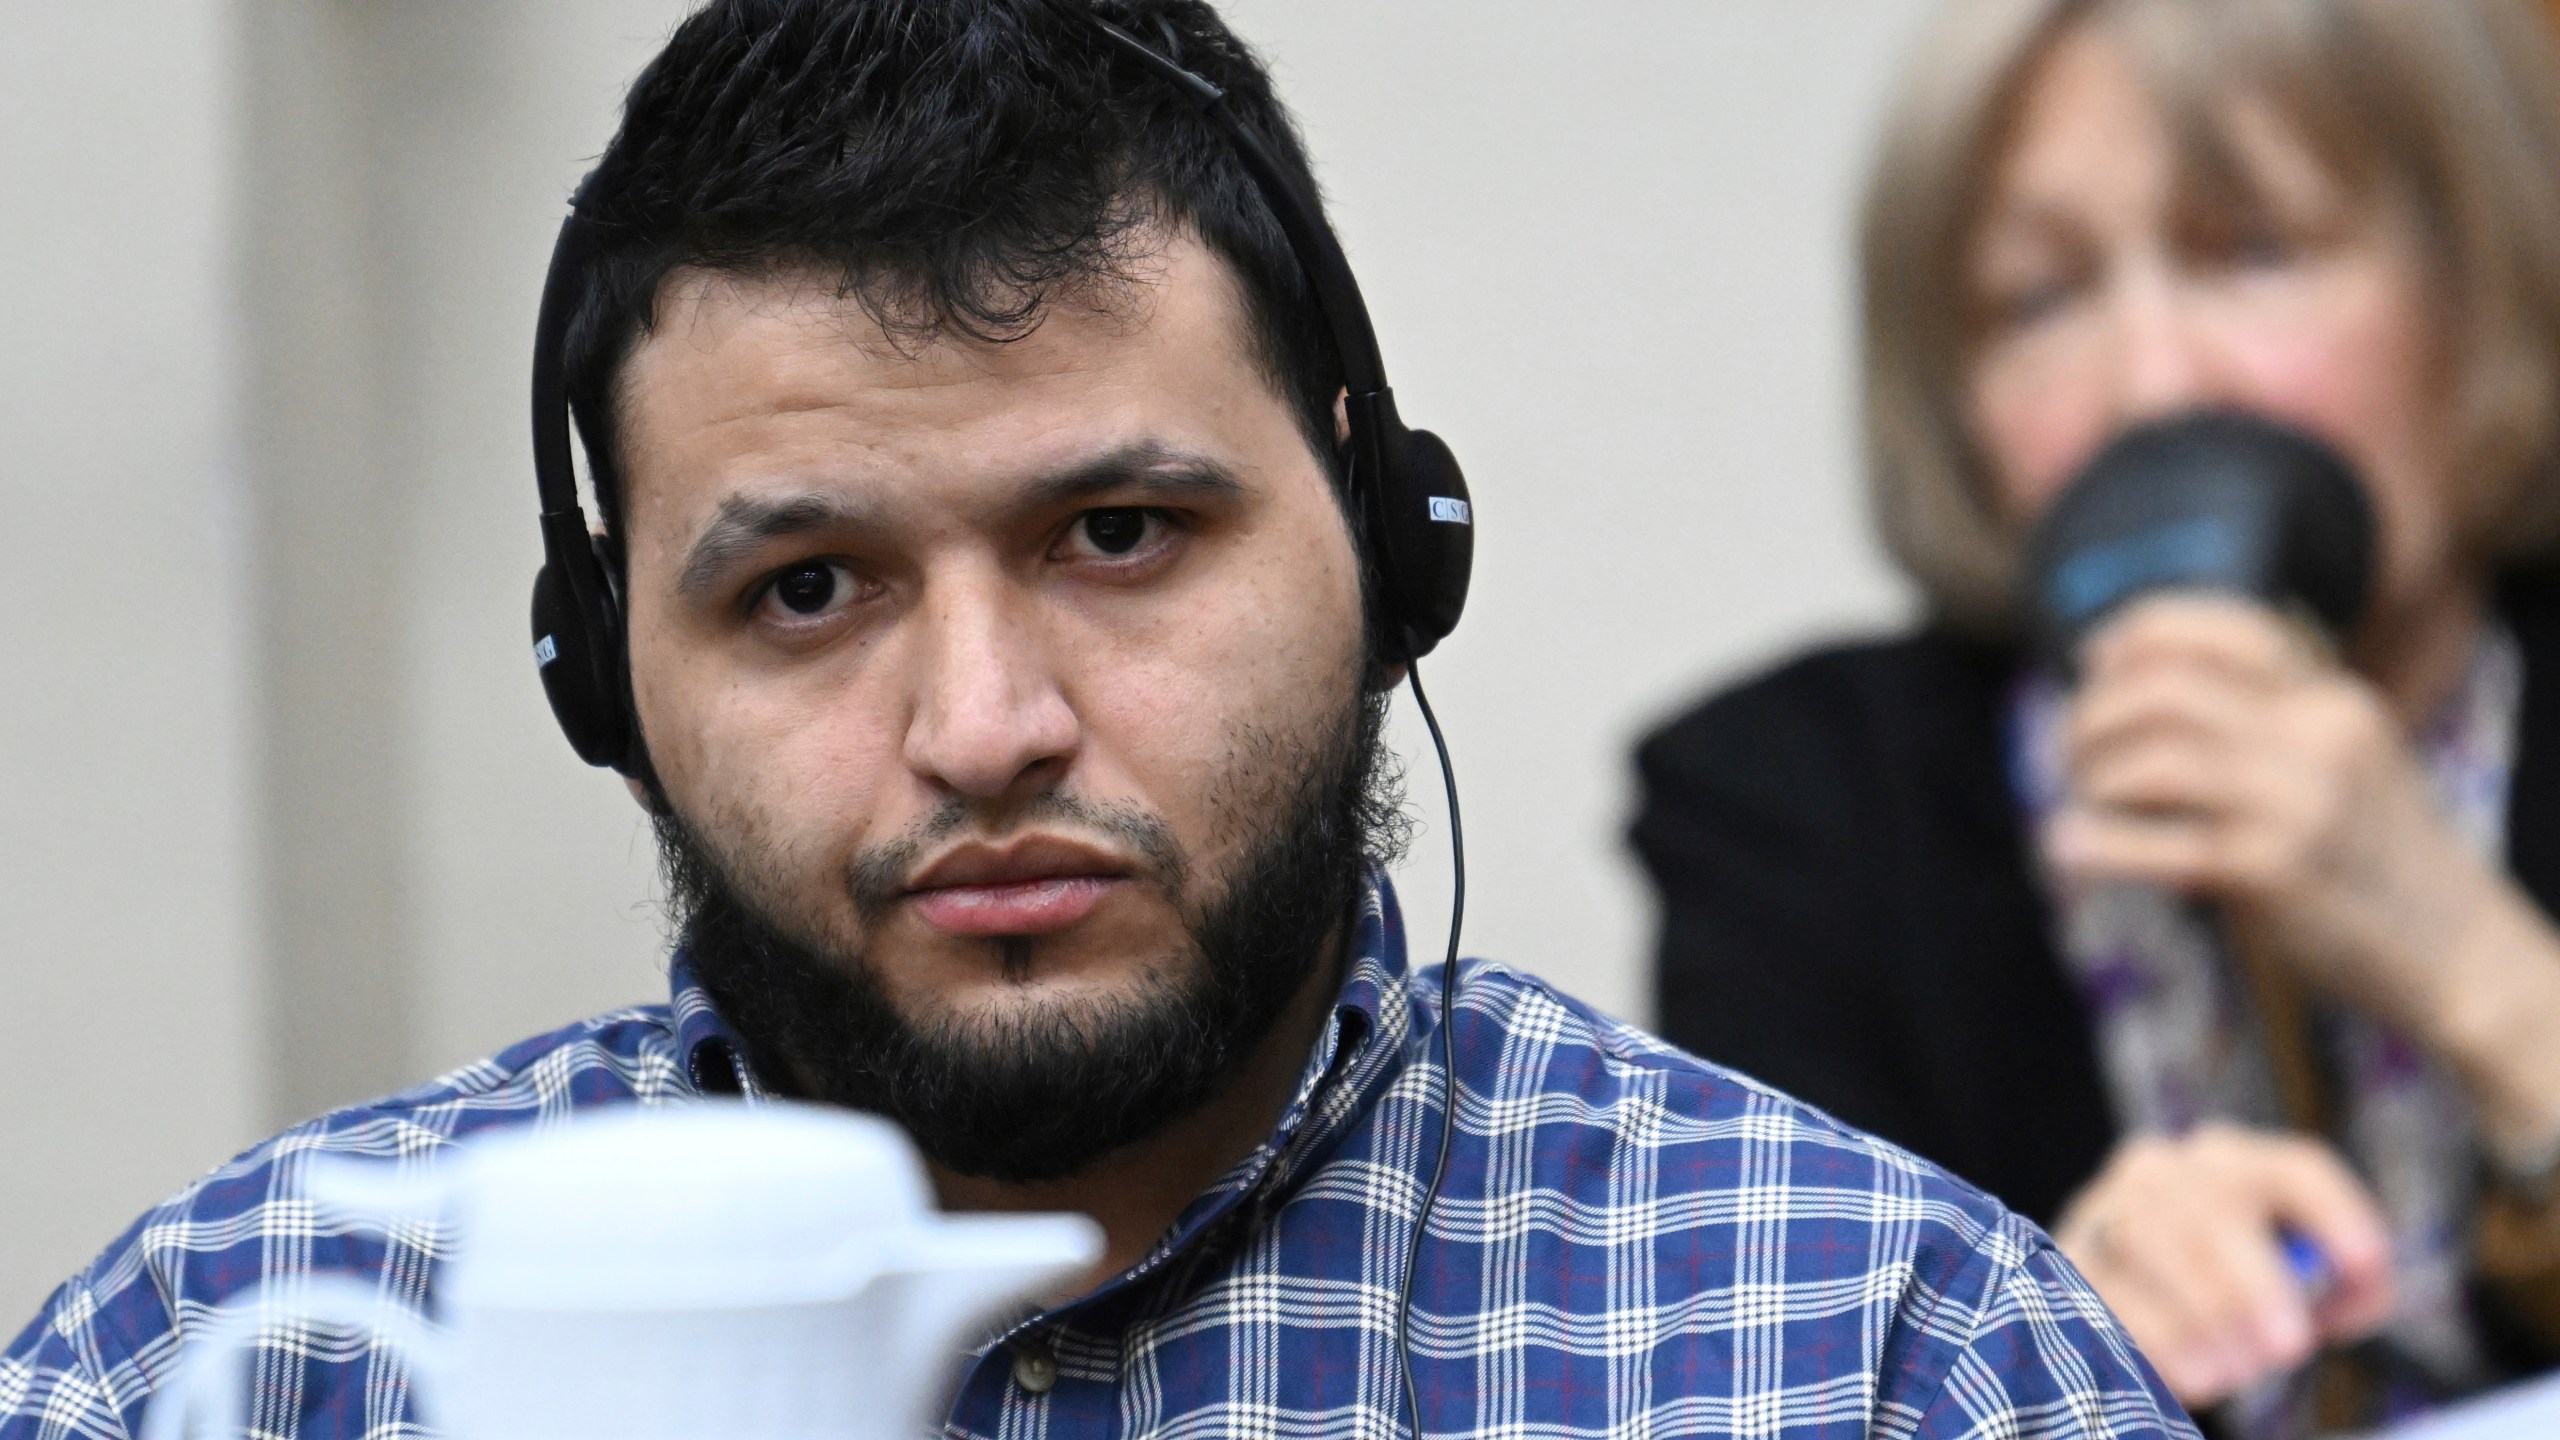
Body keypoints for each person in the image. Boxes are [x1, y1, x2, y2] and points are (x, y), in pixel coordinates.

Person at [0, 2, 2189, 1438]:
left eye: (1119, 534)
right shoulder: (236, 1349)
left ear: (1382, 542)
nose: (982, 724)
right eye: (807, 589)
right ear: (605, 679)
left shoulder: (1879, 1351)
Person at [1634, 0, 2560, 1432]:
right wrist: (2029, 1342)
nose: (2152, 385)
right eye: (2036, 301)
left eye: (2255, 252)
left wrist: (2478, 969)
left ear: (2479, 286)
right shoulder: (1799, 808)